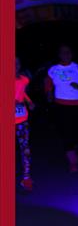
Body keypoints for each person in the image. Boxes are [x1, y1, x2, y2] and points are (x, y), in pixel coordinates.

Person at [45, 44, 78, 172]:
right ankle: (72, 161)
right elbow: (47, 85)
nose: (66, 54)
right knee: (66, 133)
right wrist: (49, 94)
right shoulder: (53, 69)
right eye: (63, 52)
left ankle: (73, 147)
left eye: (68, 52)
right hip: (61, 106)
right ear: (59, 55)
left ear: (72, 54)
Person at [15, 57, 34, 191]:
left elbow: (22, 93)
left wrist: (29, 101)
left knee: (25, 148)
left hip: (22, 119)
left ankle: (26, 178)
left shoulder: (24, 80)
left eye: (16, 63)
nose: (14, 66)